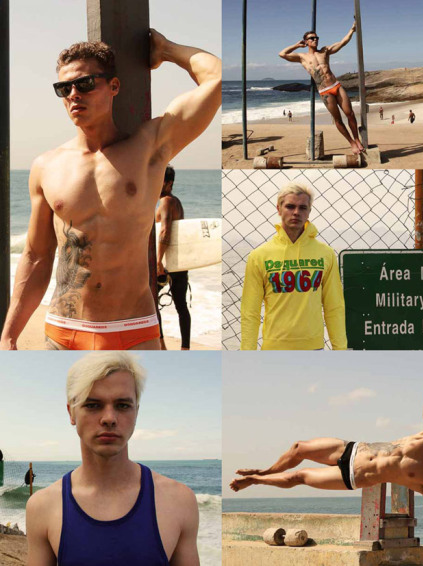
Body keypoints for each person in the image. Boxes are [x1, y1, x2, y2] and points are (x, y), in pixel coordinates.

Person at [0, 30, 221, 351]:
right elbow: (36, 257)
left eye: (85, 83)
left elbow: (214, 80)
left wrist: (166, 49)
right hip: (64, 329)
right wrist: (8, 335)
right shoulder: (46, 167)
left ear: (113, 86)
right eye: (64, 88)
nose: (74, 94)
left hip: (135, 328)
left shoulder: (149, 146)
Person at [230, 356, 423, 559]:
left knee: (298, 477)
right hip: (352, 449)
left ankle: (256, 480)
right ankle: (264, 471)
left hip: (353, 477)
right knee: (298, 447)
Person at [26, 352, 200, 565]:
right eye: (92, 405)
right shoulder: (43, 506)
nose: (109, 418)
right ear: (71, 412)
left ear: (136, 411)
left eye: (122, 405)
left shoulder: (179, 501)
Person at [240, 182, 347, 351]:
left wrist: (340, 349)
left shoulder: (325, 254)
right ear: (279, 208)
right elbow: (250, 312)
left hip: (314, 348)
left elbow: (334, 307)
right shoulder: (259, 256)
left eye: (302, 207)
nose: (296, 212)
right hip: (273, 348)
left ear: (309, 211)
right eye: (290, 206)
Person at [279, 23, 364, 155]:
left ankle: (357, 139)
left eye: (316, 37)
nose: (315, 39)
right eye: (312, 38)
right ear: (306, 42)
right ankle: (351, 143)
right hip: (325, 92)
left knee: (350, 114)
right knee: (338, 119)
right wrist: (297, 45)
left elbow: (342, 42)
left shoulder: (324, 51)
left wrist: (352, 30)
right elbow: (282, 54)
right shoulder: (302, 57)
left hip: (336, 85)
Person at [156, 165, 191, 351]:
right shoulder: (177, 202)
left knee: (152, 303)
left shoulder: (166, 202)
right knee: (181, 306)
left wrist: (158, 260)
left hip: (167, 262)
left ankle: (161, 345)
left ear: (169, 183)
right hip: (180, 261)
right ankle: (185, 348)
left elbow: (165, 230)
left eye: (160, 180)